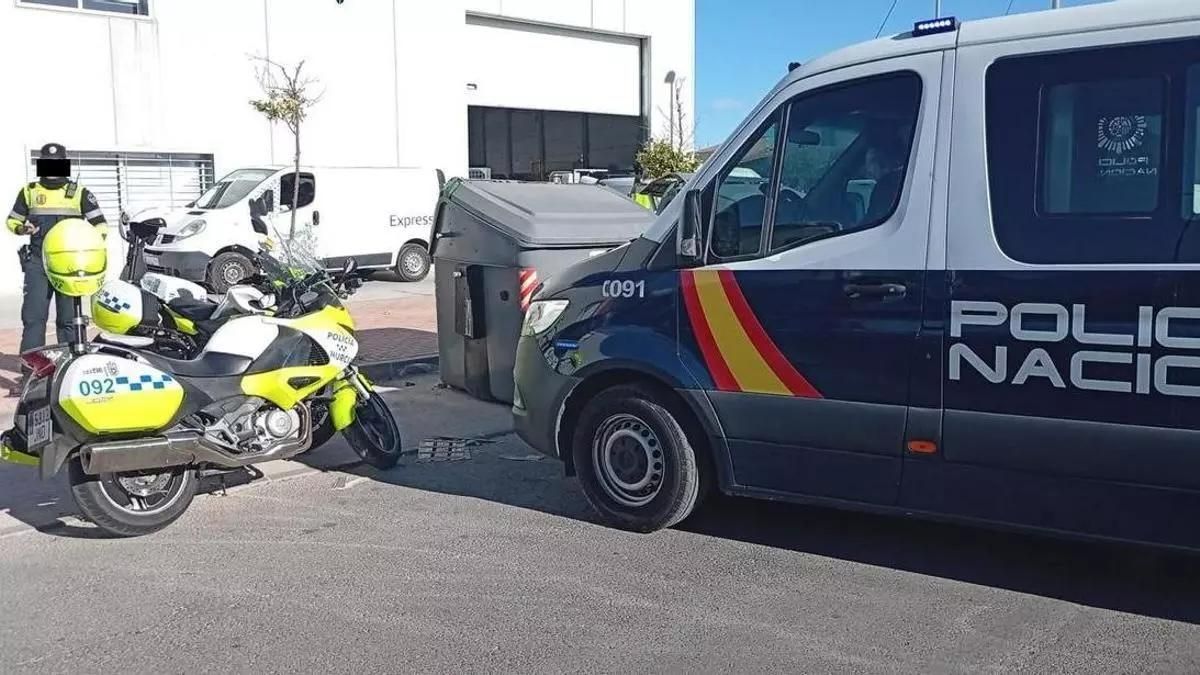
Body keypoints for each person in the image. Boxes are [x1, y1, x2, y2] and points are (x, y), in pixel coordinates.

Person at [4, 143, 107, 395]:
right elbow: (11, 221)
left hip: (69, 265)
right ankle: (30, 375)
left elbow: (101, 226)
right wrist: (23, 229)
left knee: (69, 320)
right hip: (38, 263)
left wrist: (88, 249)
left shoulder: (78, 192)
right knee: (33, 319)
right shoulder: (29, 192)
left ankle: (70, 370)